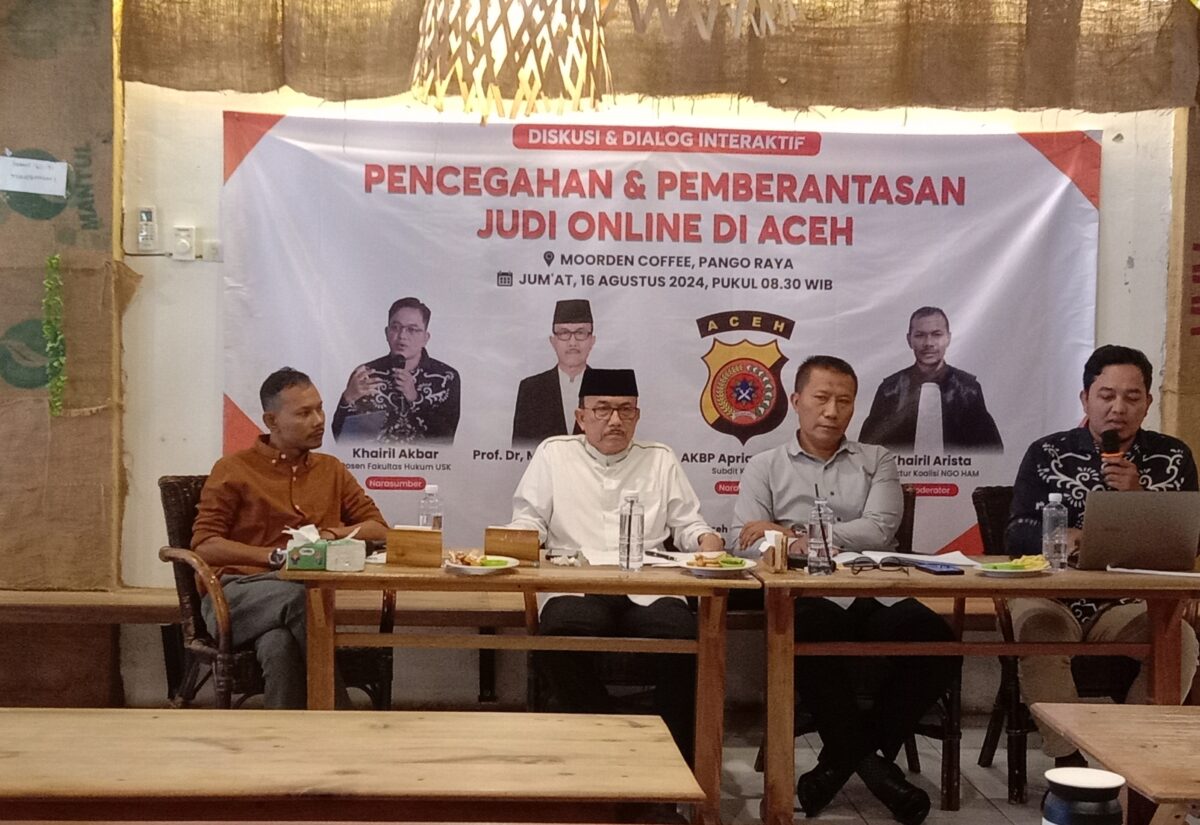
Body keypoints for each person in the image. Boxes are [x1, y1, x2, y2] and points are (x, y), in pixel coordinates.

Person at [733, 355, 956, 825]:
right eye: (821, 398)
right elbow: (748, 541)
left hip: (873, 588)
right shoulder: (763, 465)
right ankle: (875, 769)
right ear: (796, 400)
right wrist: (803, 539)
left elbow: (879, 530)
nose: (832, 411)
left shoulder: (877, 460)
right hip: (804, 595)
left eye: (844, 401)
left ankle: (839, 764)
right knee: (808, 631)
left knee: (936, 640)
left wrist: (791, 533)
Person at [507, 368, 724, 762]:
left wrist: (707, 541)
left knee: (682, 639)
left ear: (637, 416)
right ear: (581, 416)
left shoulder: (659, 458)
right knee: (560, 633)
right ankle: (608, 740)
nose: (615, 420)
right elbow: (529, 520)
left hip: (649, 584)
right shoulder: (554, 453)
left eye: (626, 410)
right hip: (576, 582)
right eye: (602, 409)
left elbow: (688, 525)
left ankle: (675, 762)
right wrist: (521, 539)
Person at [1005, 344, 1199, 766]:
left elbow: (1188, 541)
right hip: (1052, 596)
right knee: (1039, 629)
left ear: (1148, 403)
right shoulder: (1047, 452)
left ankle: (1130, 760)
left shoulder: (1172, 457)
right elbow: (1017, 532)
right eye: (1107, 395)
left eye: (1132, 397)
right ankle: (1070, 765)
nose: (1118, 409)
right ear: (1085, 398)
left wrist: (1139, 496)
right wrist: (1066, 536)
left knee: (1180, 640)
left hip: (1129, 603)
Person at [191, 367, 389, 708]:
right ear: (272, 421)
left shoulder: (331, 470)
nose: (319, 421)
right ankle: (342, 718)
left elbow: (379, 529)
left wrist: (330, 534)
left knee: (278, 645)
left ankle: (285, 738)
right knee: (302, 598)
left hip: (300, 595)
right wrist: (274, 557)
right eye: (304, 413)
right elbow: (204, 545)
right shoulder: (233, 469)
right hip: (236, 595)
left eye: (320, 409)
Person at [859, 306, 1002, 452]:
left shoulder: (968, 390)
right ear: (909, 340)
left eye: (936, 334)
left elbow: (991, 451)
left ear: (948, 338)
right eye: (920, 335)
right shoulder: (890, 390)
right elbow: (867, 450)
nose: (928, 343)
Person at [332, 297, 460, 443]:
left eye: (412, 329)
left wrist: (415, 398)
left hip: (423, 458)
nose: (402, 336)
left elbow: (446, 438)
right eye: (395, 327)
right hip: (377, 457)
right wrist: (347, 399)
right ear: (387, 333)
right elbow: (342, 440)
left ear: (425, 337)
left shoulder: (446, 377)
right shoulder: (366, 374)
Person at [512, 299, 595, 447]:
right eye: (564, 333)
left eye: (580, 333)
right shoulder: (531, 388)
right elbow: (521, 449)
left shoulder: (607, 387)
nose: (572, 343)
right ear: (553, 341)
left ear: (592, 341)